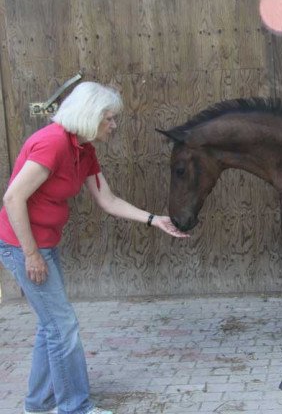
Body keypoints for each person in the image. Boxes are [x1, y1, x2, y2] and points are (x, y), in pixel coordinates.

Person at [0, 82, 188, 414]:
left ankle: (37, 404)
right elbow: (13, 198)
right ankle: (74, 408)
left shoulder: (83, 149)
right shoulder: (53, 143)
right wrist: (30, 254)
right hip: (21, 244)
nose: (114, 125)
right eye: (110, 118)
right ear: (90, 116)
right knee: (63, 326)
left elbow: (108, 199)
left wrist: (154, 219)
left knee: (52, 325)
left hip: (43, 243)